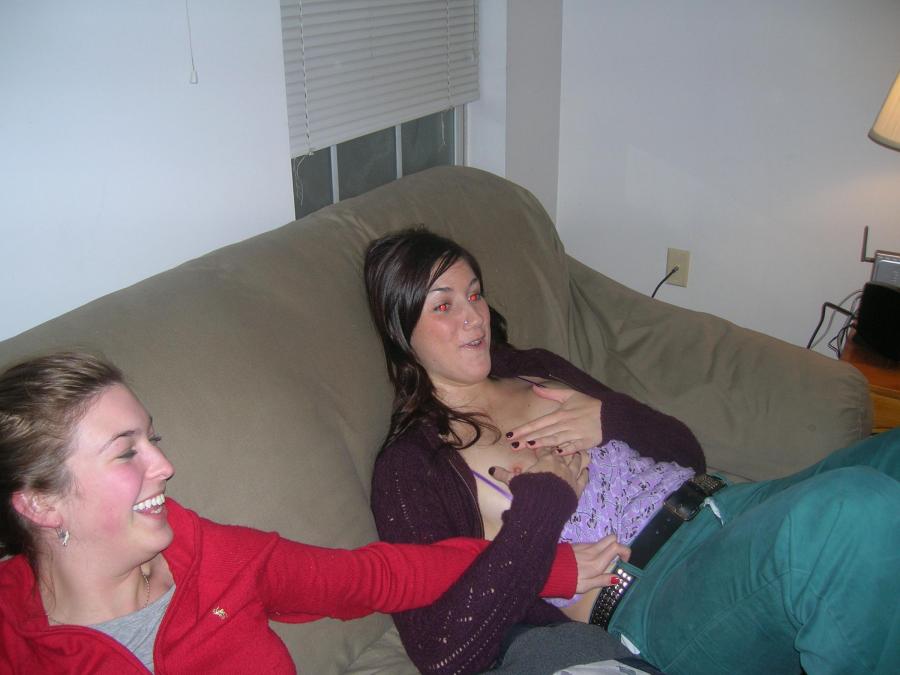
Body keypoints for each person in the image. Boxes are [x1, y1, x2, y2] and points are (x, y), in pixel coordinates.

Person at [364, 227, 900, 675]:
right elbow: (443, 650)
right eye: (444, 305)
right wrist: (544, 502)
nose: (475, 317)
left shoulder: (532, 367)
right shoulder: (413, 465)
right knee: (854, 511)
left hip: (726, 507)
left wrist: (608, 417)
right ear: (401, 329)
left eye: (475, 294)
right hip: (658, 597)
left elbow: (687, 454)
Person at [0, 352, 613, 674]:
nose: (164, 465)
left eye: (152, 439)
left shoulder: (213, 556)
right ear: (41, 503)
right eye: (125, 451)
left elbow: (377, 576)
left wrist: (543, 565)